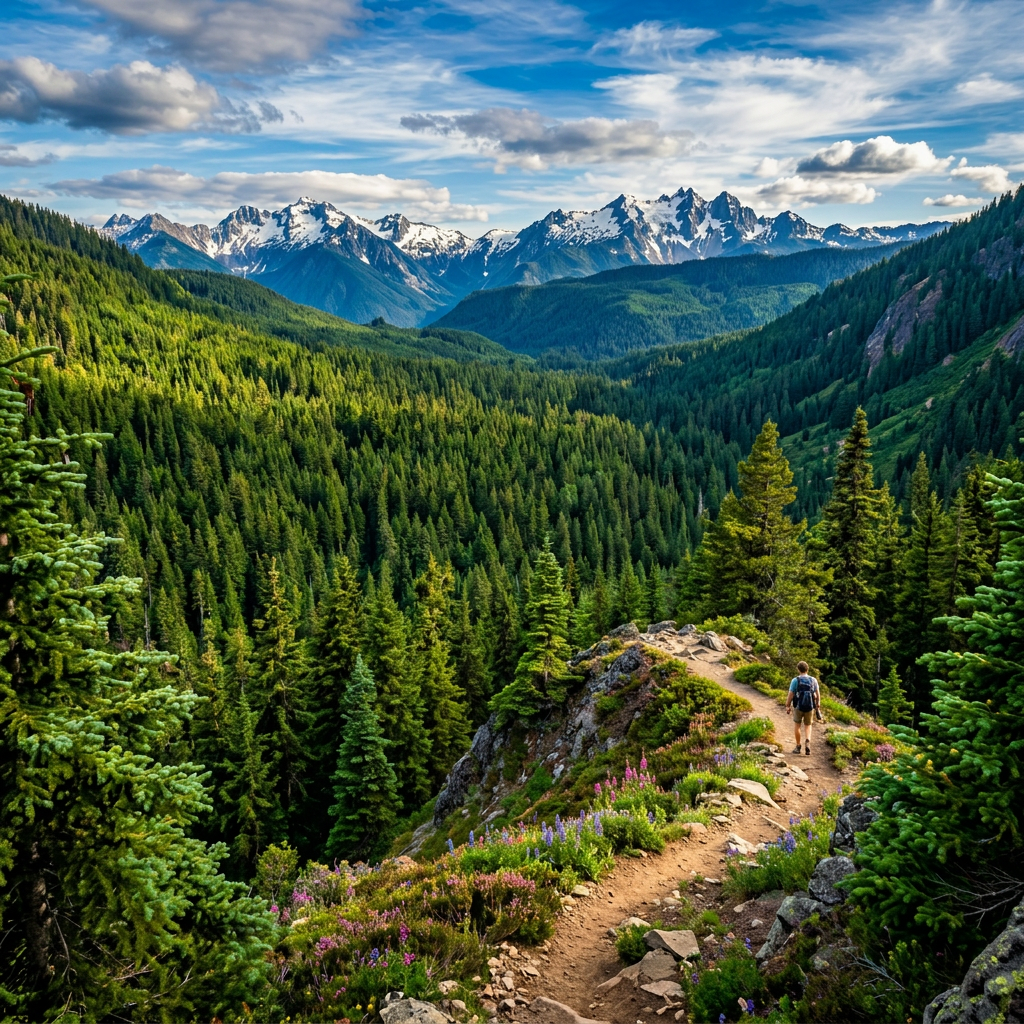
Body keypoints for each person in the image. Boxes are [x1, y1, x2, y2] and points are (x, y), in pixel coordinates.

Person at [785, 661, 820, 756]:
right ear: (807, 669)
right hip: (810, 707)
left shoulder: (795, 680)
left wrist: (787, 705)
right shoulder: (813, 680)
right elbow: (817, 693)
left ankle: (798, 746)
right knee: (808, 725)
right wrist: (817, 704)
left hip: (798, 706)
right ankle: (807, 741)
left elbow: (791, 694)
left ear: (798, 669)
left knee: (797, 725)